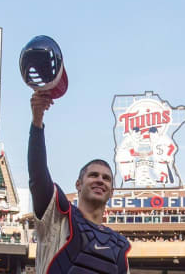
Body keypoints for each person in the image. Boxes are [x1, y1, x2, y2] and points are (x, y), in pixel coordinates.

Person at [28, 90, 130, 273]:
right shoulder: (58, 218)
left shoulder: (118, 246)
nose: (100, 180)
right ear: (78, 184)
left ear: (112, 191)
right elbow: (38, 177)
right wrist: (37, 122)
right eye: (93, 175)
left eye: (106, 178)